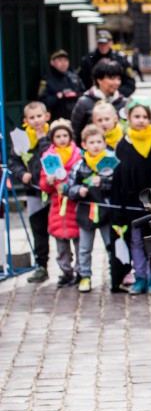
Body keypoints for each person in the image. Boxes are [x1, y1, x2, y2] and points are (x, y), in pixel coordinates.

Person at [113, 102, 151, 296]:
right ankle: (140, 276)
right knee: (136, 242)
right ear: (129, 119)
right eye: (136, 117)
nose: (140, 121)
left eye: (144, 117)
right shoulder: (123, 144)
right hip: (131, 202)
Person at [70, 124, 116, 294]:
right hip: (85, 213)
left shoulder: (110, 163)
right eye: (92, 142)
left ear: (104, 143)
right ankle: (85, 276)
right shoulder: (79, 165)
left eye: (99, 141)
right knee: (84, 248)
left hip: (106, 212)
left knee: (111, 245)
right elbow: (70, 187)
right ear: (84, 145)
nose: (96, 145)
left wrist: (103, 183)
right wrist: (78, 191)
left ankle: (115, 275)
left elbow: (116, 186)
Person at [9, 102, 52, 283]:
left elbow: (51, 157)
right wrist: (21, 174)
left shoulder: (54, 134)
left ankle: (69, 267)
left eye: (39, 116)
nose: (36, 121)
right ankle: (41, 265)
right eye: (32, 118)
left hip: (53, 192)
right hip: (34, 192)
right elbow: (13, 161)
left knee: (61, 230)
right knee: (38, 230)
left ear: (46, 116)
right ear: (26, 120)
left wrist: (42, 139)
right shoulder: (21, 139)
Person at [37, 120, 82, 288]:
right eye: (58, 136)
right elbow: (43, 184)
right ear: (52, 138)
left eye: (65, 135)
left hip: (75, 206)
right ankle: (66, 271)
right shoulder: (48, 157)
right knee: (61, 244)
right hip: (58, 207)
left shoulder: (78, 155)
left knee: (79, 243)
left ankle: (81, 271)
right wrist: (48, 182)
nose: (62, 139)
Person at [70, 59, 127, 142]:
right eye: (112, 78)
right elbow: (74, 133)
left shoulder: (123, 102)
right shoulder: (84, 102)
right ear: (99, 80)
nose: (117, 82)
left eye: (118, 79)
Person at [78, 30, 136, 97]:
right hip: (93, 98)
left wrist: (117, 95)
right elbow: (80, 81)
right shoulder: (88, 60)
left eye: (105, 43)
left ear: (111, 43)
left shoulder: (121, 60)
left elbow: (130, 83)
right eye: (100, 43)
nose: (103, 46)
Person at [38, 50, 85, 123]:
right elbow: (42, 101)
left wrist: (75, 94)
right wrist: (57, 97)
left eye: (65, 60)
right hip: (57, 120)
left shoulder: (74, 77)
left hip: (76, 119)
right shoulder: (46, 80)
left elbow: (84, 93)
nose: (63, 63)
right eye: (60, 60)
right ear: (52, 62)